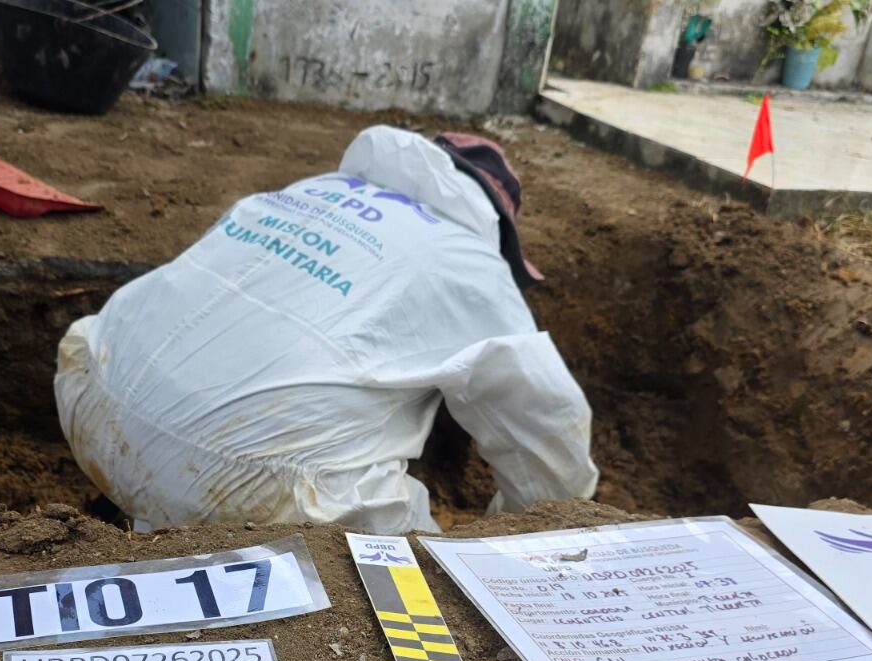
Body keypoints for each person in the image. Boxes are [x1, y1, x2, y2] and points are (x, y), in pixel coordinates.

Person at [54, 125, 598, 532]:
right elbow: (547, 427)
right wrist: (528, 531)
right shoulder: (471, 263)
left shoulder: (311, 189)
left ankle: (126, 514)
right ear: (497, 227)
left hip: (90, 384)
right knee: (430, 574)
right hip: (244, 481)